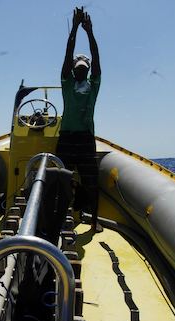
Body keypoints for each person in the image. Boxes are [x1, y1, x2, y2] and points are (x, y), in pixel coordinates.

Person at [56, 7, 101, 231]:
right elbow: (67, 55)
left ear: (89, 70)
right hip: (66, 137)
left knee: (92, 181)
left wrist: (90, 33)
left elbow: (96, 58)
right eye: (78, 67)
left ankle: (94, 222)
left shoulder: (93, 85)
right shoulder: (67, 82)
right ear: (74, 69)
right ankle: (59, 217)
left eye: (84, 67)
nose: (81, 69)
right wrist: (74, 28)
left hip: (85, 139)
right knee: (59, 179)